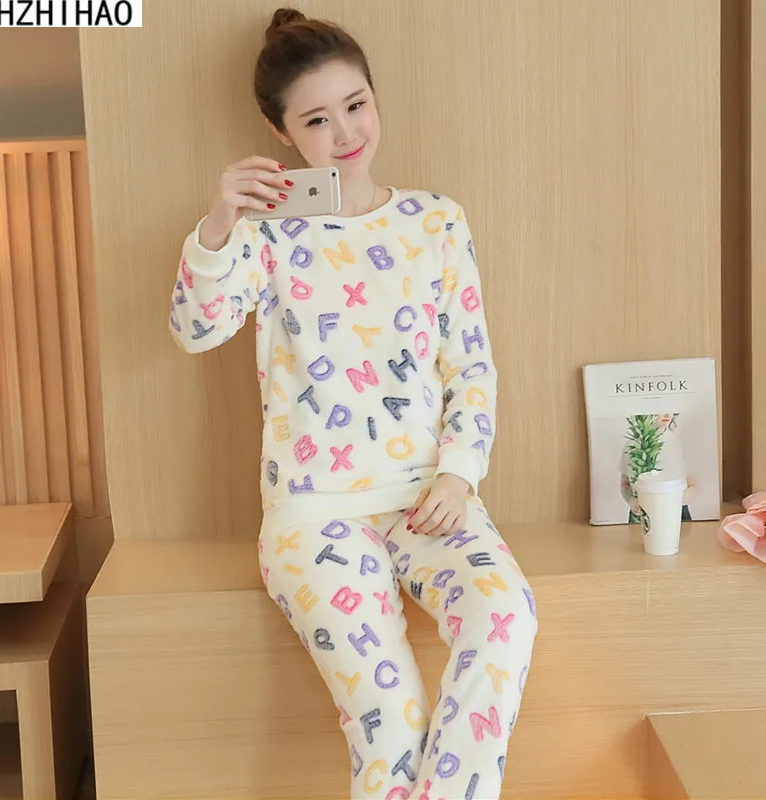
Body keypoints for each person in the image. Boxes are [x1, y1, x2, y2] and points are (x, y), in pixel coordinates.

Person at [169, 8, 537, 799]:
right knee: (393, 723)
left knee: (506, 618)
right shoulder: (267, 235)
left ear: (375, 97)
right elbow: (197, 330)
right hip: (313, 516)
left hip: (429, 499)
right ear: (281, 132)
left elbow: (471, 364)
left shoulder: (435, 221)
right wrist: (219, 223)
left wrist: (460, 473)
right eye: (316, 119)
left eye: (356, 105)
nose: (344, 132)